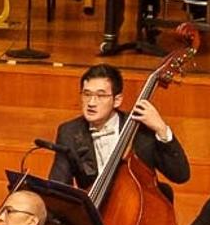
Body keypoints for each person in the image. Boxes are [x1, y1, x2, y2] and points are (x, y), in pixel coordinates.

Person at [50, 64, 191, 195]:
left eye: (100, 95)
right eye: (87, 94)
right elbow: (59, 184)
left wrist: (161, 129)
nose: (91, 103)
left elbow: (180, 175)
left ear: (117, 100)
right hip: (95, 212)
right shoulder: (69, 131)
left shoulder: (140, 128)